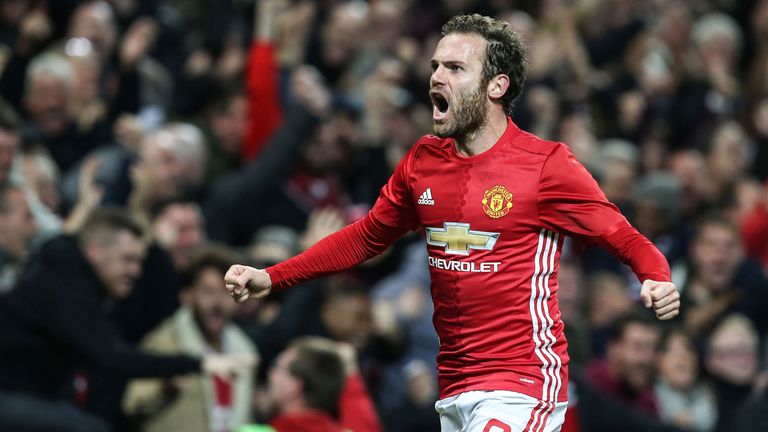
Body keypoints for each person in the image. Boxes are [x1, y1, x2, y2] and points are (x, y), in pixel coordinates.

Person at [224, 14, 680, 432]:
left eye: (455, 68)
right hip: (457, 387)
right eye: (435, 66)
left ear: (496, 86)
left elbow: (619, 232)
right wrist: (273, 276)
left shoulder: (546, 165)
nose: (436, 77)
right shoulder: (423, 161)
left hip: (523, 381)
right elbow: (365, 237)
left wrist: (656, 276)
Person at [0, 208, 252, 432]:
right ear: (95, 251)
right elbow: (114, 356)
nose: (136, 271)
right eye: (128, 260)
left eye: (140, 261)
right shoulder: (64, 283)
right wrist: (198, 363)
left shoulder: (79, 281)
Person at [123, 246, 257, 432]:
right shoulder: (165, 343)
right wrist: (164, 390)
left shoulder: (245, 350)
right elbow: (132, 407)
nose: (217, 303)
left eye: (226, 292)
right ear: (188, 295)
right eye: (208, 292)